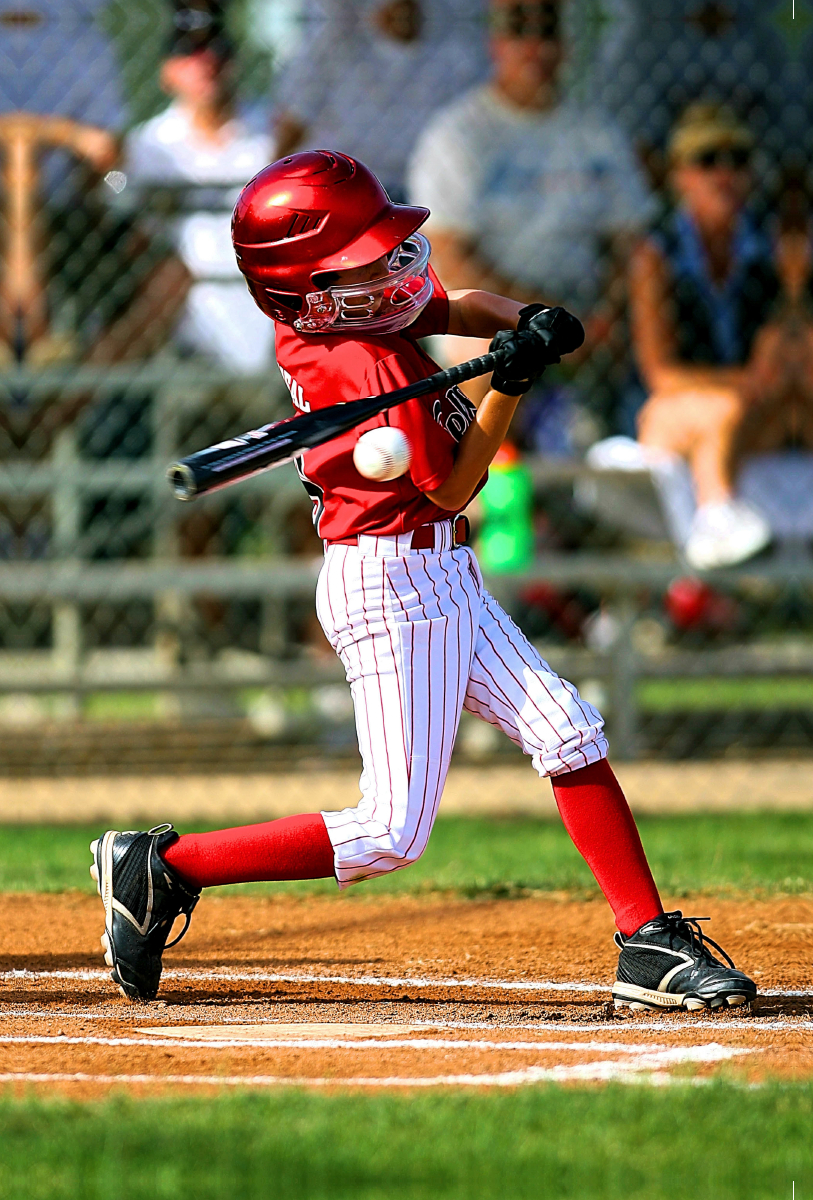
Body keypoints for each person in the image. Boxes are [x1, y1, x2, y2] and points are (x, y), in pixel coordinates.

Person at [89, 150, 755, 1015]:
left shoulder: (356, 314)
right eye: (365, 261)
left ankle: (645, 943)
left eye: (388, 249)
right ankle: (163, 868)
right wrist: (507, 386)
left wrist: (526, 319)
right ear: (308, 289)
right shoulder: (366, 368)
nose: (395, 268)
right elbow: (452, 483)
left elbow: (446, 303)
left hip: (437, 567)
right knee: (389, 833)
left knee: (564, 729)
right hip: (393, 584)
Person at [406, 0, 655, 432]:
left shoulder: (597, 130)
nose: (534, 46)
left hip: (590, 322)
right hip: (496, 320)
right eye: (520, 29)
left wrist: (603, 318)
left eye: (548, 31)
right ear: (495, 42)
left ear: (565, 45)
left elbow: (632, 242)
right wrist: (537, 318)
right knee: (476, 354)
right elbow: (450, 257)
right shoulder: (458, 134)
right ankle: (479, 479)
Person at [593, 105, 780, 570]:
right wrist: (746, 382)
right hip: (662, 413)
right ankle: (715, 519)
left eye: (737, 160)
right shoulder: (654, 254)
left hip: (747, 404)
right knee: (724, 409)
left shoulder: (767, 250)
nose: (724, 173)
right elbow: (661, 373)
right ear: (679, 177)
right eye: (706, 160)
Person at [115, 1, 275, 374]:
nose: (205, 61)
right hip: (185, 336)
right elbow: (135, 242)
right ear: (166, 72)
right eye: (187, 51)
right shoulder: (149, 146)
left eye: (216, 48)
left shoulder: (272, 135)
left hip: (268, 316)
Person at [273, 0, 487, 202]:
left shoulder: (459, 48)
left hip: (432, 183)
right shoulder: (332, 43)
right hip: (352, 186)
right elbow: (296, 119)